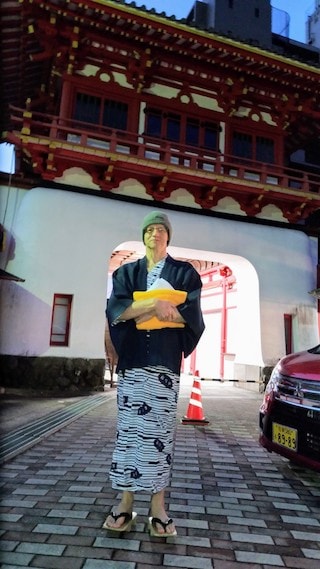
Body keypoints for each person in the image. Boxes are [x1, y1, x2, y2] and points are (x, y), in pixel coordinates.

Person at [104, 210, 205, 537]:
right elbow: (117, 311)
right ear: (143, 235)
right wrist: (155, 306)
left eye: (161, 230)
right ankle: (125, 502)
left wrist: (151, 310)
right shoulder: (127, 272)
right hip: (133, 363)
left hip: (163, 365)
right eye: (150, 229)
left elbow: (191, 318)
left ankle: (158, 506)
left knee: (160, 436)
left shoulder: (184, 273)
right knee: (129, 433)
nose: (155, 234)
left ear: (168, 236)